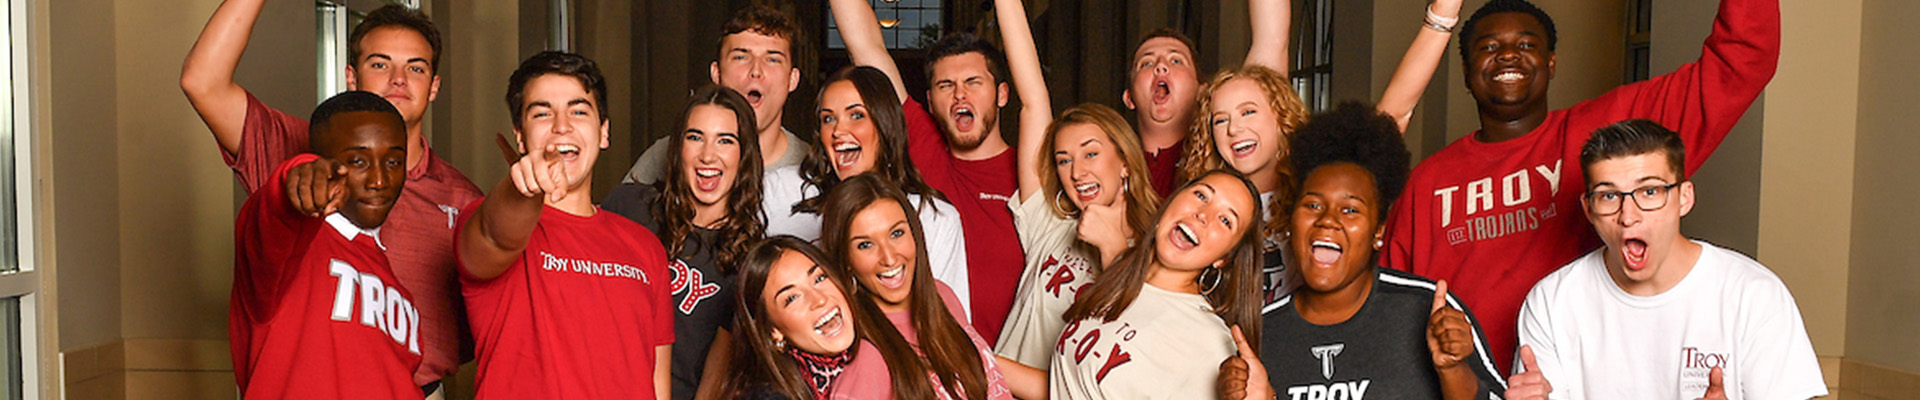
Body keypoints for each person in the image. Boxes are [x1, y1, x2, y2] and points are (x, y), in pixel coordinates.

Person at [1380, 0, 1780, 372]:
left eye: (1525, 43)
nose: (1507, 54)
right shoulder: (1427, 184)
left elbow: (1740, 63)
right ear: (1466, 73)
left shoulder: (1605, 134)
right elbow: (1389, 308)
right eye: (1488, 47)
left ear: (1551, 63)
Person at [182, 2, 480, 393]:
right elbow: (203, 82)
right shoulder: (299, 147)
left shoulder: (462, 198)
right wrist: (298, 172)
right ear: (351, 77)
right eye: (380, 64)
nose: (398, 80)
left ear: (434, 86)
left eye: (416, 68)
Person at [1505, 120, 1823, 400]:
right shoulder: (1552, 301)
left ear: (1684, 198)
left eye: (1650, 192)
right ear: (1589, 209)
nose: (1628, 216)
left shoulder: (1752, 294)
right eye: (1609, 196)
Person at [1181, 0, 1466, 306]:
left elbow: (1395, 112)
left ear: (1280, 115)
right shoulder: (1203, 204)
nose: (1234, 129)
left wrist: (1442, 15)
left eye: (1248, 112)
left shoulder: (1318, 184)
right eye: (1220, 120)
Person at [1217, 102, 1506, 400]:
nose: (1328, 219)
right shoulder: (1261, 332)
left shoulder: (1426, 309)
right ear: (1291, 219)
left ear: (1378, 232)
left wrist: (1453, 370)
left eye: (1350, 209)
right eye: (1313, 205)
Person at [455, 51, 672, 398]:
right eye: (542, 113)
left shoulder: (645, 247)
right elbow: (497, 237)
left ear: (604, 132)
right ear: (521, 137)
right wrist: (520, 189)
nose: (561, 126)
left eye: (578, 111)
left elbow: (656, 383)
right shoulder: (483, 216)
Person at [829, 0, 1025, 344]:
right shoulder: (924, 148)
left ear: (1002, 94)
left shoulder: (1032, 172)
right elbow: (867, 47)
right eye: (946, 85)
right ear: (931, 102)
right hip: (928, 364)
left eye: (973, 82)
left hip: (1012, 375)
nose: (960, 93)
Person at [992, 0, 1162, 371]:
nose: (1076, 172)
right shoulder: (1050, 224)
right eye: (1063, 159)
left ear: (1124, 162)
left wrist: (1111, 245)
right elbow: (1033, 101)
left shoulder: (1158, 250)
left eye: (1090, 154)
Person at [229, 91, 423, 399]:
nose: (379, 180)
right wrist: (302, 172)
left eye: (393, 161)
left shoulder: (399, 291)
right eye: (357, 161)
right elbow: (276, 208)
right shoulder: (290, 246)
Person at [602, 85, 766, 400]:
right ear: (678, 148)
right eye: (695, 137)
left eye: (725, 140)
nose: (708, 154)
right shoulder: (629, 207)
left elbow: (721, 372)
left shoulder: (751, 259)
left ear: (744, 155)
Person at [819, 175, 1044, 400]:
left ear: (915, 233)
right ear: (845, 260)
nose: (889, 258)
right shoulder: (865, 357)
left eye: (896, 233)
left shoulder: (941, 294)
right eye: (865, 245)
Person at [771, 66, 973, 313]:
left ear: (885, 124)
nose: (838, 131)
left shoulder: (935, 218)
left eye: (856, 115)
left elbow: (952, 325)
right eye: (828, 119)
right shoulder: (783, 190)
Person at [1050, 169, 1266, 398]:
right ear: (1173, 200)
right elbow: (1068, 383)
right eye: (1201, 196)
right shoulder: (1122, 277)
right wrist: (1005, 373)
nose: (1203, 215)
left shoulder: (1210, 343)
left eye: (1225, 220)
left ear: (1224, 258)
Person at [714, 236, 939, 400]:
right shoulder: (769, 396)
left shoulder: (878, 352)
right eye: (792, 298)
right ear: (774, 331)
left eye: (820, 278)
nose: (819, 299)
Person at [626, 5, 810, 184]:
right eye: (740, 57)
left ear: (792, 79)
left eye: (772, 59)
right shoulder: (669, 153)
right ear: (716, 73)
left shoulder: (812, 166)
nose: (756, 71)